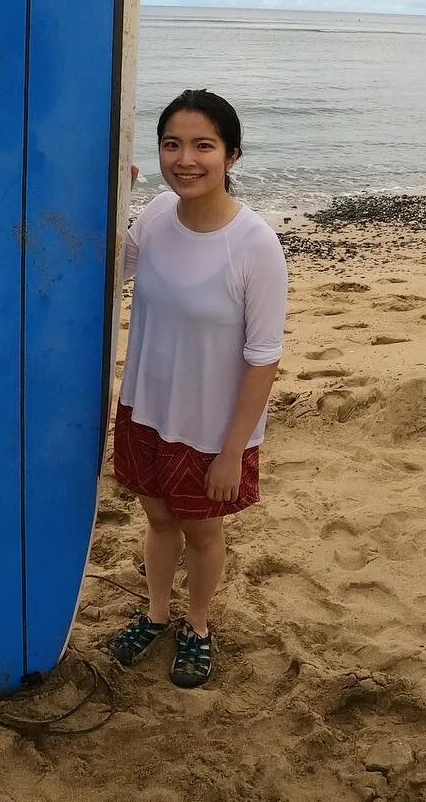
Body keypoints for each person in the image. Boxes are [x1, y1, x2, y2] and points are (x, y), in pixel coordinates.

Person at [107, 88, 287, 688]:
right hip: (145, 410)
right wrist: (114, 196)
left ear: (232, 155)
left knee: (203, 534)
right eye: (172, 144)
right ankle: (157, 612)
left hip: (210, 429)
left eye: (203, 145)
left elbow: (264, 359)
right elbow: (111, 272)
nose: (186, 158)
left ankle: (199, 625)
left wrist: (233, 450)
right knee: (158, 522)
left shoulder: (256, 245)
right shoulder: (157, 216)